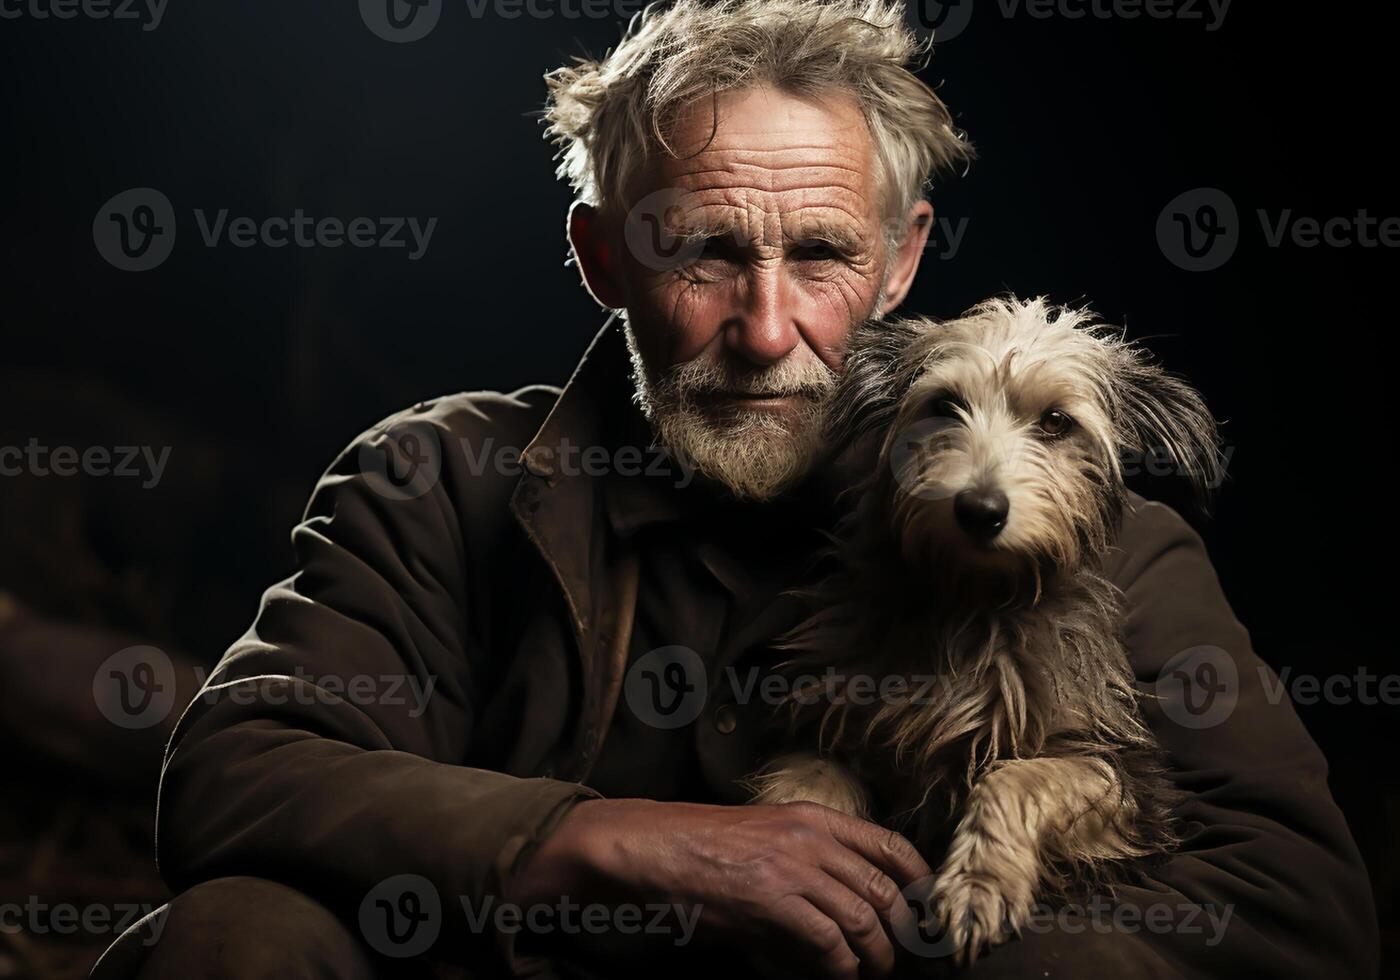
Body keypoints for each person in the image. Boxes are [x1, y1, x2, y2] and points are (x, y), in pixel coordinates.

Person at [93, 2, 1376, 977]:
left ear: (897, 261)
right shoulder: (438, 477)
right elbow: (233, 773)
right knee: (234, 932)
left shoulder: (1085, 541)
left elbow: (1297, 901)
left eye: (820, 253)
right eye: (705, 251)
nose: (766, 331)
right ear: (600, 257)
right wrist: (598, 840)